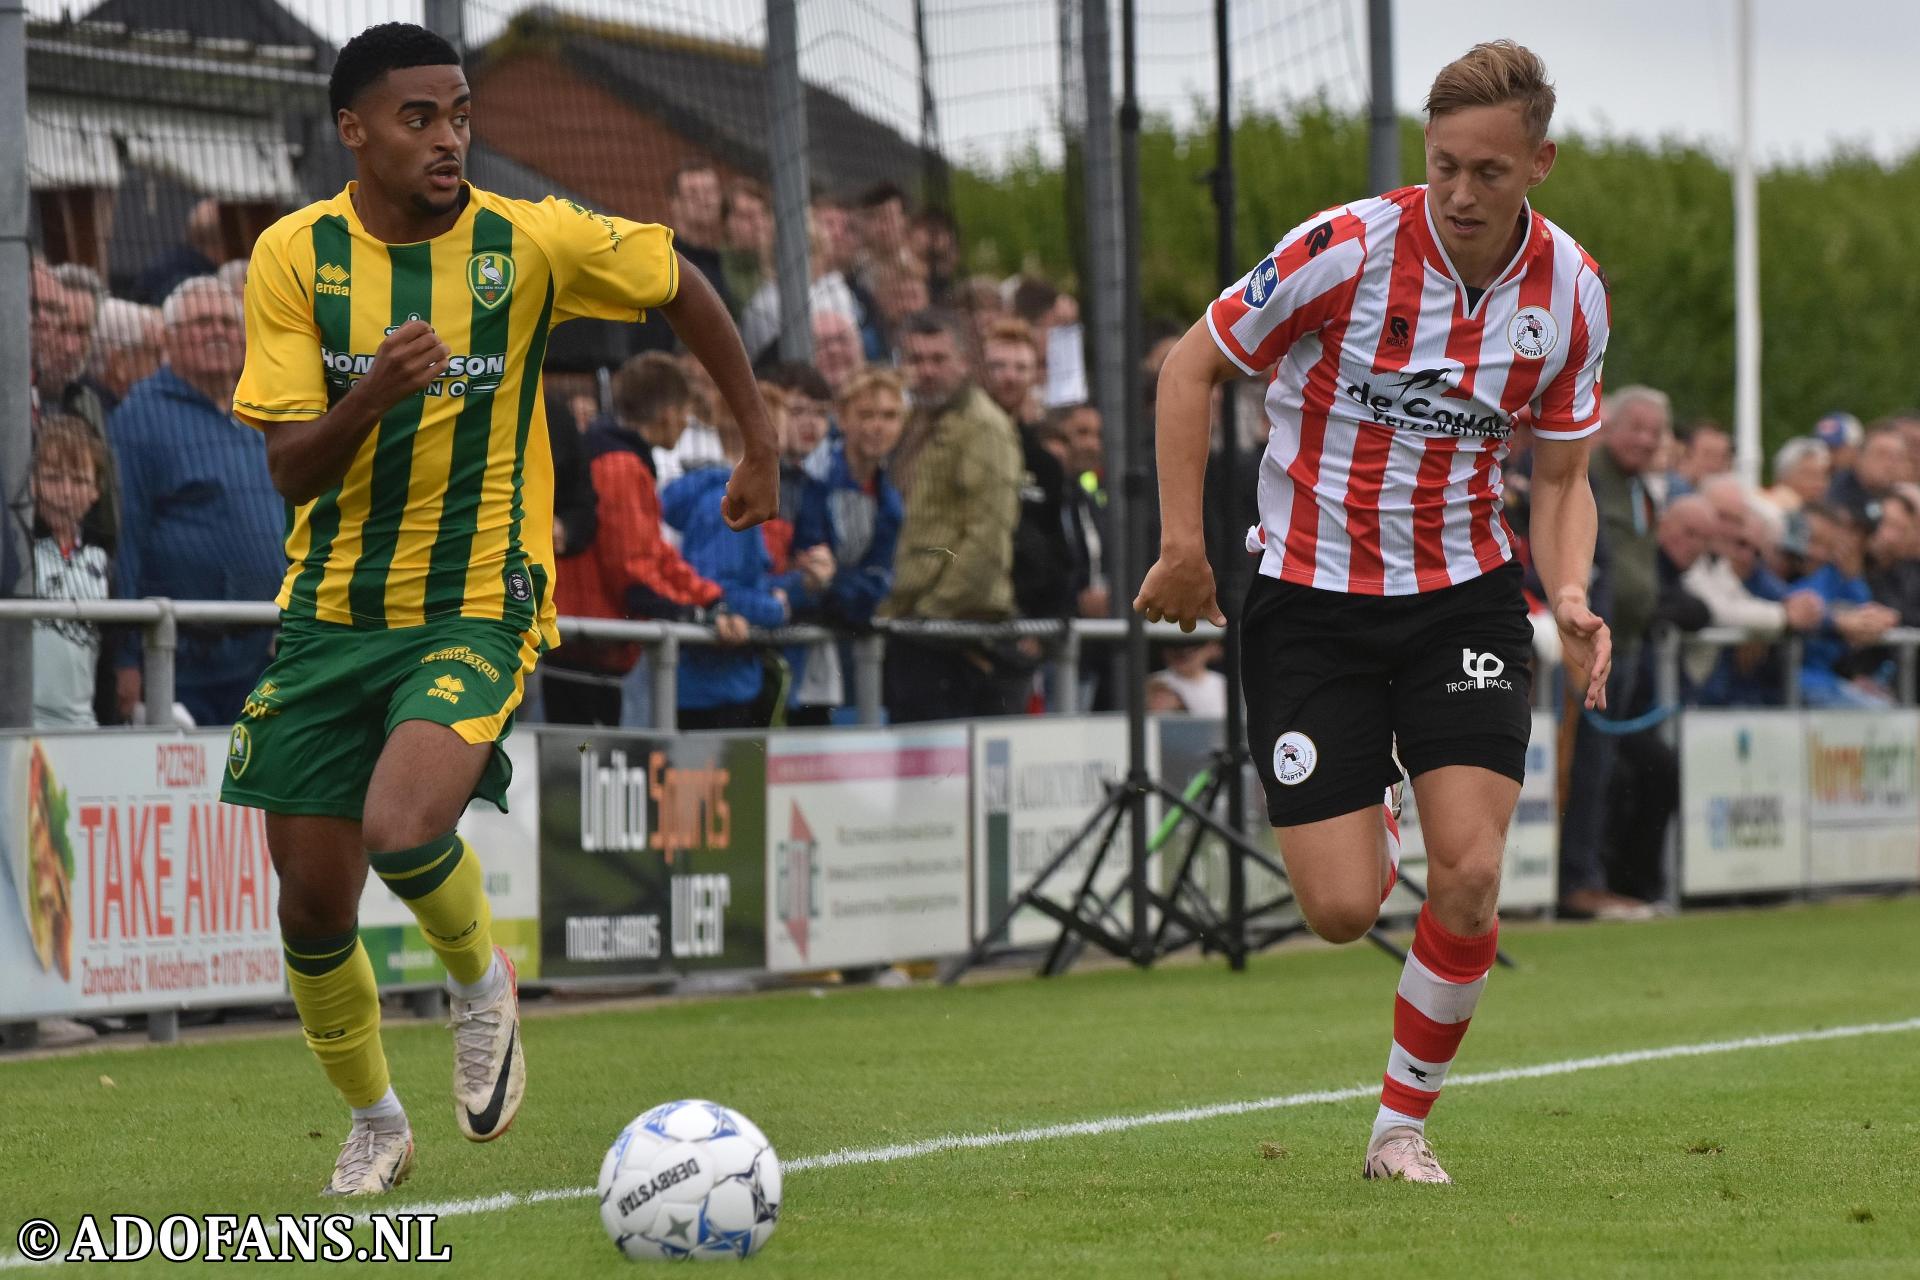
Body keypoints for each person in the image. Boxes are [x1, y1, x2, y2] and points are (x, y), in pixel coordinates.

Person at [217, 23, 777, 1196]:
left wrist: (756, 438)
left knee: (403, 825)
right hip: (328, 614)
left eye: (462, 112)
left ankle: (482, 983)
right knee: (313, 904)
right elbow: (287, 469)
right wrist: (373, 389)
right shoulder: (292, 257)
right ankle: (375, 1119)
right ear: (353, 131)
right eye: (419, 118)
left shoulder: (526, 240)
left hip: (479, 598)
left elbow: (681, 280)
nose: (449, 137)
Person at [1135, 41, 1611, 1184]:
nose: (1460, 193)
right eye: (1444, 165)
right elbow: (1189, 366)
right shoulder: (1343, 247)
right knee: (1344, 908)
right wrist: (1186, 544)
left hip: (1464, 600)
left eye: (1488, 171)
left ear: (1538, 162)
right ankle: (1370, 808)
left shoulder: (1572, 292)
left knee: (1471, 871)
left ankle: (1401, 1125)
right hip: (1309, 600)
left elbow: (1559, 479)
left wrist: (1574, 591)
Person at [110, 277, 284, 727]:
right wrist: (125, 657)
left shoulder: (260, 411)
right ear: (168, 338)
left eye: (228, 322)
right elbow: (126, 534)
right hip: (178, 662)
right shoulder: (142, 414)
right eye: (202, 322)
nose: (219, 332)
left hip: (260, 658)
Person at [547, 355, 740, 726]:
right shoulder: (621, 466)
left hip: (593, 642)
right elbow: (632, 570)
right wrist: (691, 609)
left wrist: (707, 597)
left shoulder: (620, 459)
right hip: (589, 645)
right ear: (669, 413)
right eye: (686, 412)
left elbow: (652, 553)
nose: (687, 423)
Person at [879, 310, 1025, 722]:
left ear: (963, 361)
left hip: (953, 634)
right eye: (915, 359)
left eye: (938, 359)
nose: (926, 371)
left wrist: (932, 612)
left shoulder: (982, 426)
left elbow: (989, 535)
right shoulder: (912, 422)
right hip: (911, 624)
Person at [30, 415, 113, 728]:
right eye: (52, 478)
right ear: (33, 483)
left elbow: (107, 664)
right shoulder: (19, 559)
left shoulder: (102, 562)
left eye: (78, 481)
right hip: (23, 724)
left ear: (95, 491)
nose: (65, 492)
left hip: (83, 728)